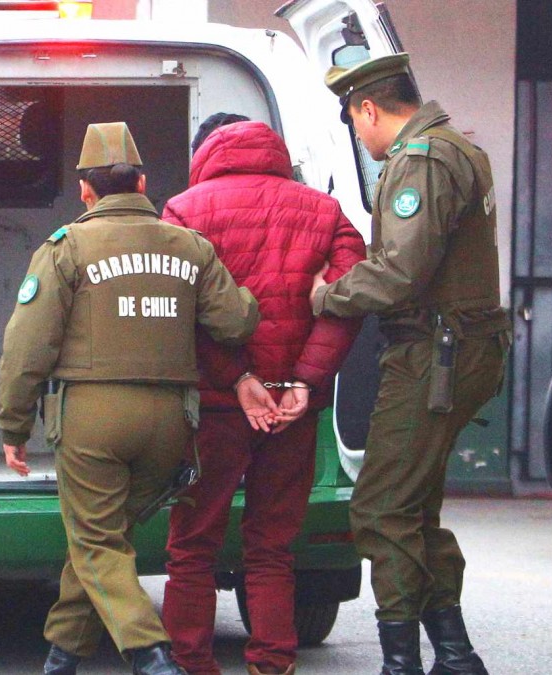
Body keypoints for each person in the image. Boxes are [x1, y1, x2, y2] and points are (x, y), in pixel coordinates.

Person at [0, 122, 260, 675]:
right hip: (172, 420)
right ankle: (62, 655)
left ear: (85, 191)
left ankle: (151, 655)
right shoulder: (190, 246)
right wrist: (251, 297)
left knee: (95, 541)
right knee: (104, 539)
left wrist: (13, 426)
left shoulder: (67, 248)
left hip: (93, 418)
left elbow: (27, 346)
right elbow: (235, 323)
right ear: (141, 182)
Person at [309, 54, 510, 675]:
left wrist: (326, 296)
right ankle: (455, 654)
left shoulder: (420, 159)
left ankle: (403, 663)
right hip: (460, 350)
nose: (359, 135)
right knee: (415, 508)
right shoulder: (458, 148)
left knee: (381, 509)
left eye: (354, 120)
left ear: (369, 109)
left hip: (432, 356)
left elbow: (400, 272)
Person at [159, 114, 366, 675]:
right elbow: (346, 305)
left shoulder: (183, 211)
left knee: (192, 545)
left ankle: (190, 663)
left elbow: (179, 309)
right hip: (293, 409)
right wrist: (303, 382)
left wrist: (236, 377)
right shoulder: (327, 213)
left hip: (216, 407)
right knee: (272, 546)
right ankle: (272, 662)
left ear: (204, 154)